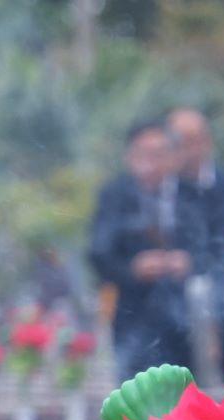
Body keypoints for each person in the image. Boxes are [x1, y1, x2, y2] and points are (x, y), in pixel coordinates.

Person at [88, 118, 205, 388]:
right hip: (133, 313)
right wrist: (133, 269)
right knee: (135, 396)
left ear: (174, 156)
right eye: (145, 154)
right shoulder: (114, 196)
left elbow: (213, 247)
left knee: (185, 396)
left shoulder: (192, 194)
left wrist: (189, 262)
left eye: (161, 153)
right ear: (130, 157)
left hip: (188, 316)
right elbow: (98, 253)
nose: (153, 162)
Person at [167, 107, 224, 384]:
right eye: (180, 142)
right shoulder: (164, 191)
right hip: (176, 303)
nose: (189, 150)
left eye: (194, 140)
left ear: (207, 141)